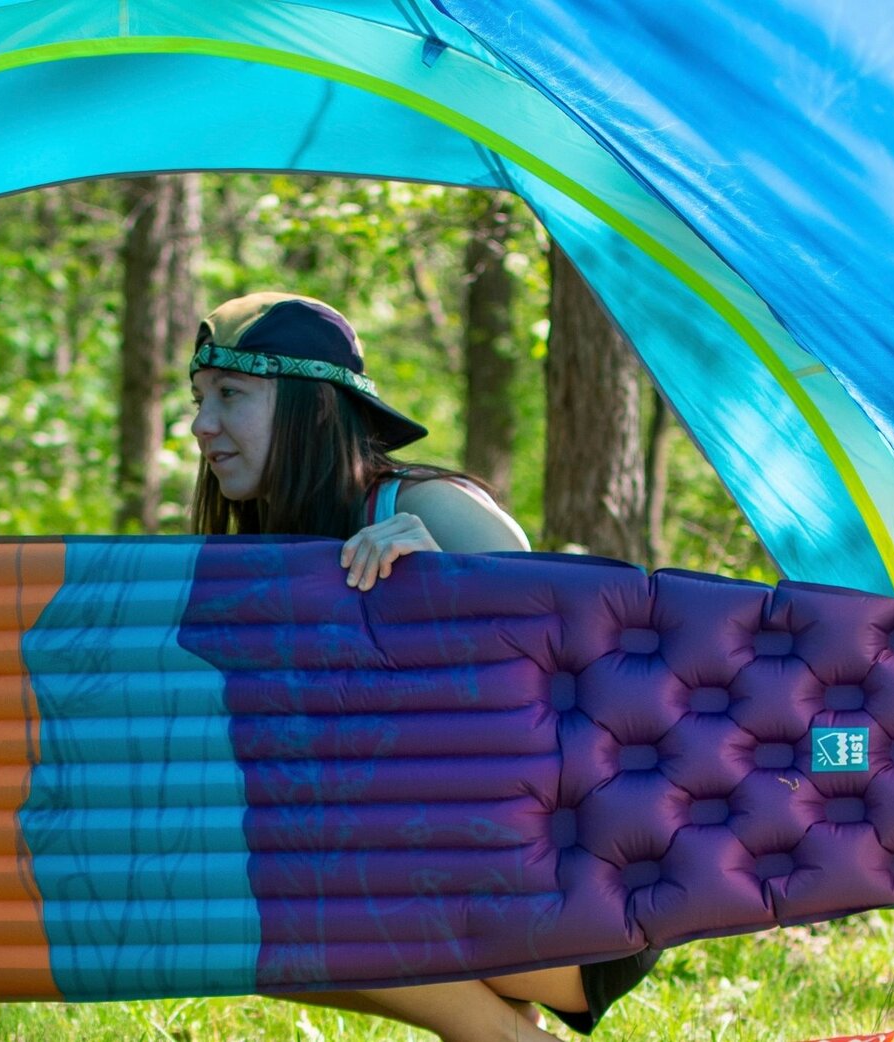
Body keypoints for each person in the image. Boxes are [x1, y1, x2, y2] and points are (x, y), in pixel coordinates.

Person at [184, 291, 659, 1042]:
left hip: (585, 895)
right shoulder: (267, 556)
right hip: (458, 880)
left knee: (288, 899)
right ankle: (495, 1028)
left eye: (231, 396)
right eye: (200, 398)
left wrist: (449, 598)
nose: (202, 425)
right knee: (244, 895)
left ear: (312, 408)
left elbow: (589, 696)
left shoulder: (434, 509)